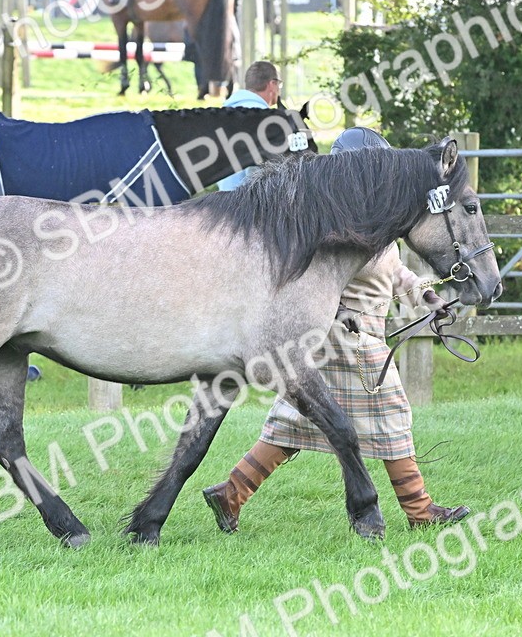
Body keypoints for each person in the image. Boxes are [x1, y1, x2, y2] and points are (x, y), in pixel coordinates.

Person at [202, 126, 471, 531]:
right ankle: (420, 511)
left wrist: (426, 296)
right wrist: (343, 310)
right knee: (392, 416)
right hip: (349, 339)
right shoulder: (340, 225)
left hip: (360, 337)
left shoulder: (379, 222)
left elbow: (396, 272)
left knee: (293, 424)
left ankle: (231, 493)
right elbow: (318, 281)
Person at [216, 61, 281, 192]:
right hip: (249, 202)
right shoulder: (264, 117)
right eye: (279, 85)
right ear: (272, 84)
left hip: (222, 199)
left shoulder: (222, 113)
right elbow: (257, 167)